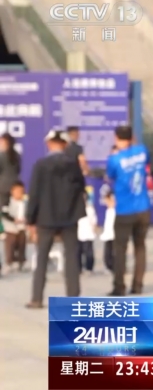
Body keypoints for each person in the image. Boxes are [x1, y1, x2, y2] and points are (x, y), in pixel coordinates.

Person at [26, 130, 86, 308]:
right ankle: (73, 298)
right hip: (70, 216)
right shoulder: (73, 165)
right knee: (71, 257)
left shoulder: (41, 165)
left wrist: (30, 219)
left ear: (48, 144)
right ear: (65, 145)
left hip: (46, 217)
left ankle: (37, 298)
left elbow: (34, 193)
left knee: (42, 258)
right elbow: (81, 187)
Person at [106, 126, 151, 296]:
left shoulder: (114, 159)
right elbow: (146, 162)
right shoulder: (142, 151)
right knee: (140, 247)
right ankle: (137, 285)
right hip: (143, 207)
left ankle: (119, 286)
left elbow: (110, 176)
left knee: (120, 249)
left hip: (124, 209)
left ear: (116, 138)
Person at [1, 180, 27, 274]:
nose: (19, 193)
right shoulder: (7, 202)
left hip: (22, 227)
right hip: (10, 228)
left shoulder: (25, 202)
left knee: (22, 243)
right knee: (10, 244)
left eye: (21, 191)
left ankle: (21, 261)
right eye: (17, 191)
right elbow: (4, 213)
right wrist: (13, 220)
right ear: (12, 191)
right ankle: (9, 262)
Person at [77, 190, 98, 275]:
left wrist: (94, 229)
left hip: (88, 234)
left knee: (89, 252)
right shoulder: (76, 209)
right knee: (77, 252)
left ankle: (89, 268)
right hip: (78, 234)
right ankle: (78, 269)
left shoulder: (90, 209)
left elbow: (94, 221)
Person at [0, 133, 21, 206]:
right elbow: (18, 170)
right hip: (15, 187)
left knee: (3, 209)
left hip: (2, 188)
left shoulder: (2, 156)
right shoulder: (17, 155)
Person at [100, 191, 116, 272]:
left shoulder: (116, 211)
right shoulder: (108, 211)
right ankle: (109, 266)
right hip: (108, 235)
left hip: (114, 236)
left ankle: (115, 267)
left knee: (115, 253)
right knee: (107, 253)